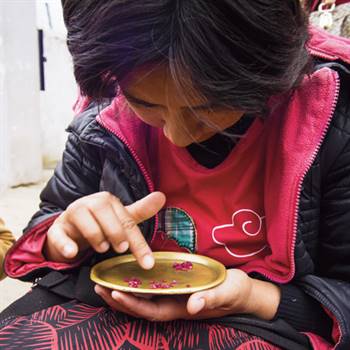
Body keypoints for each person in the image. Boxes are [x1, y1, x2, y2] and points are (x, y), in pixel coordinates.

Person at [1, 1, 350, 349]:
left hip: (267, 325)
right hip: (102, 309)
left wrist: (256, 297)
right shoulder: (105, 112)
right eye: (147, 104)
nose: (177, 136)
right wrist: (64, 235)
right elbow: (41, 232)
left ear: (262, 72)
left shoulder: (330, 116)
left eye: (209, 108)